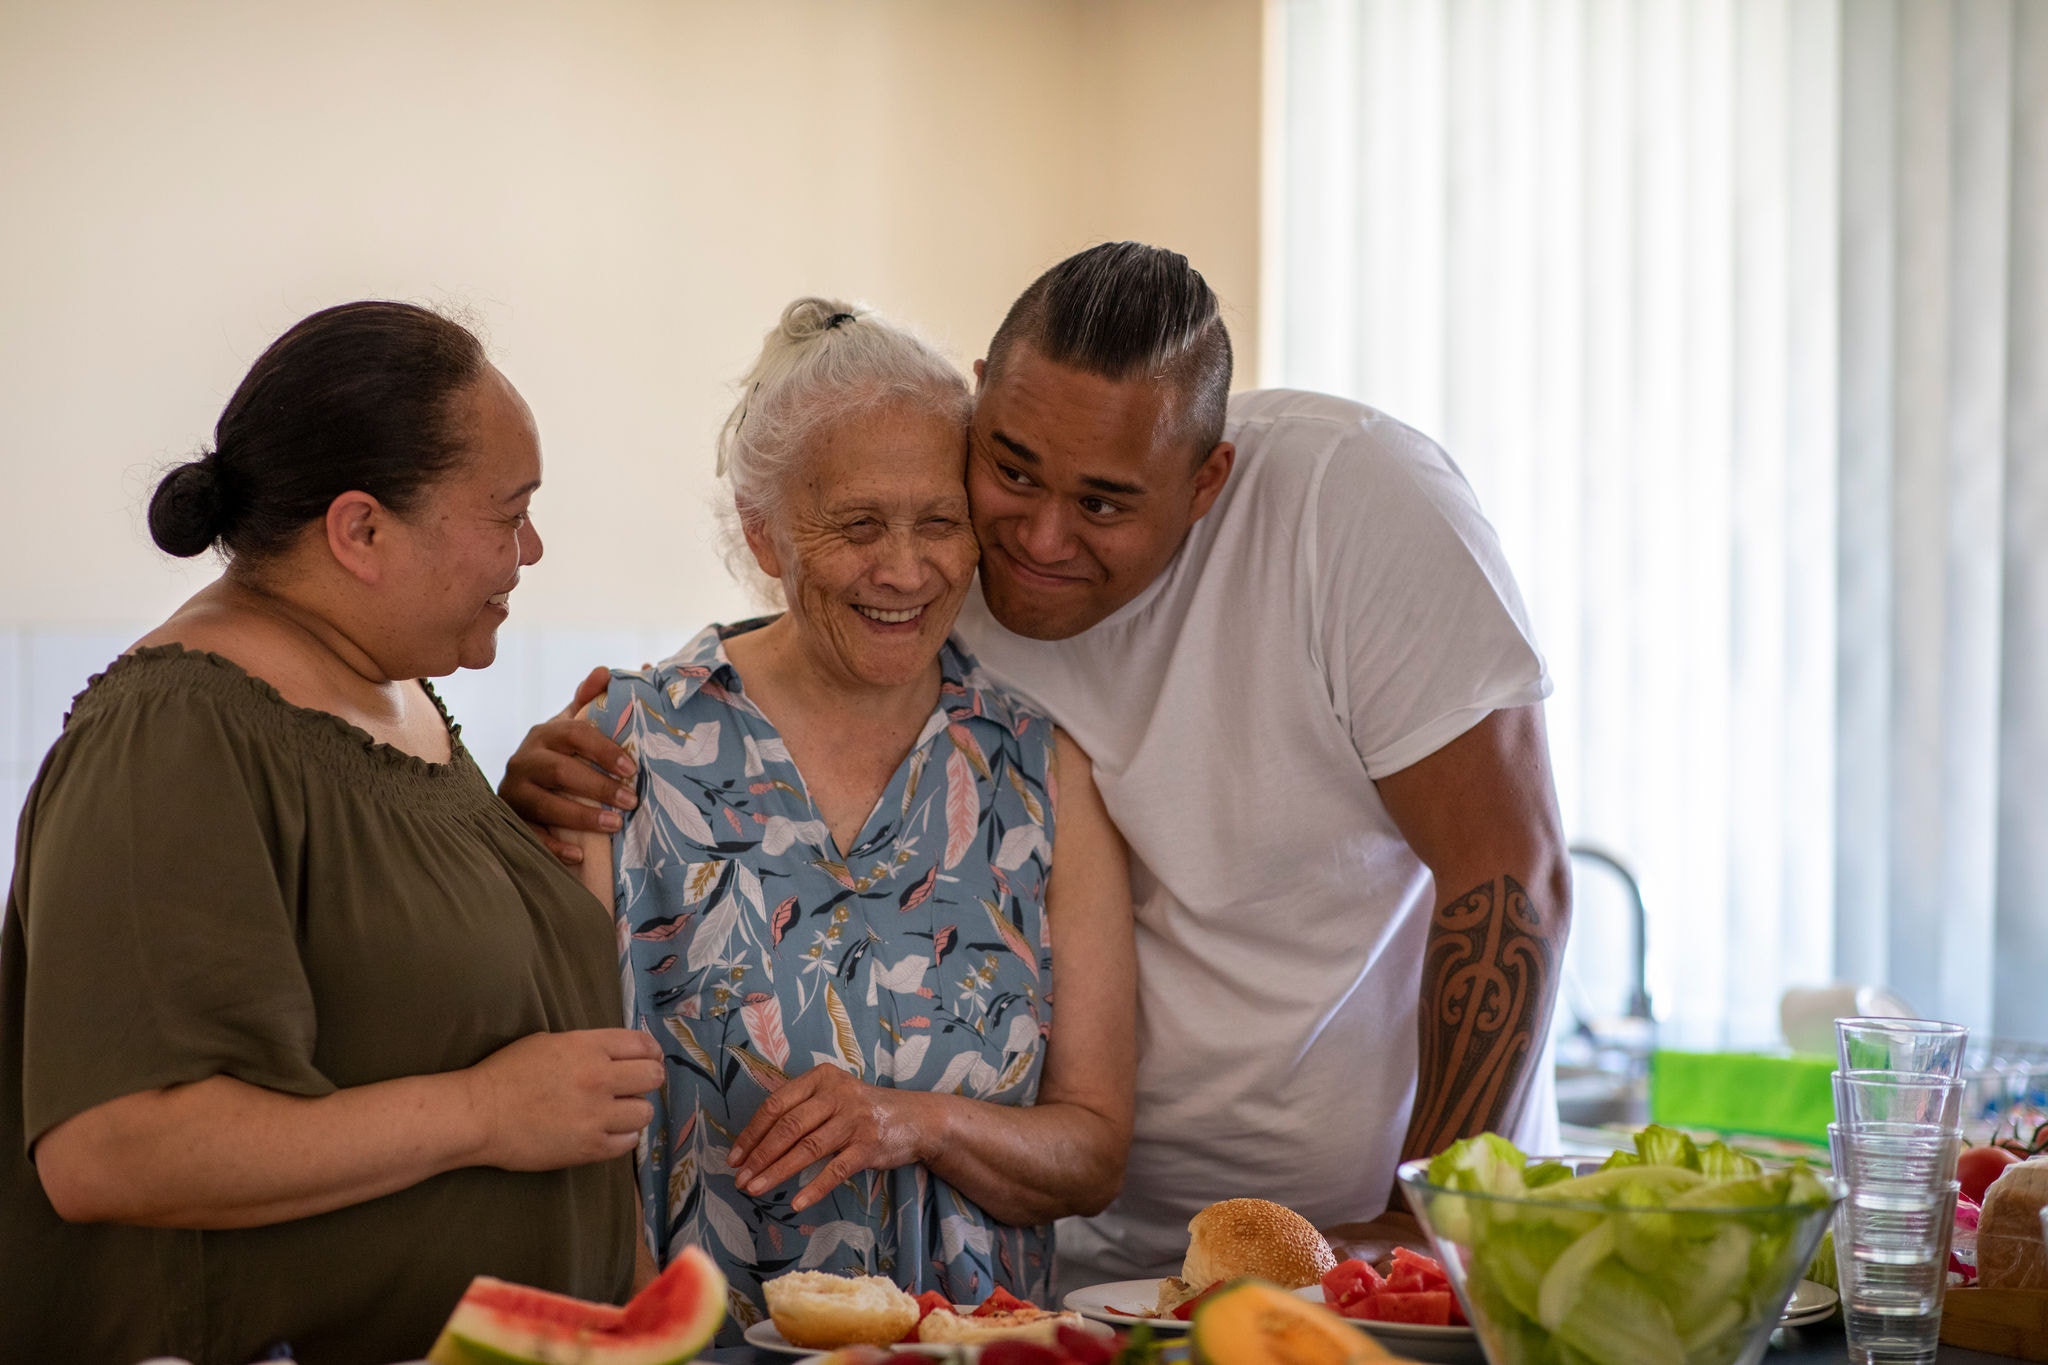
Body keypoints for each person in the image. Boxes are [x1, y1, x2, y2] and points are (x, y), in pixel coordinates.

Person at [504, 244, 1570, 1296]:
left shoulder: (1351, 510)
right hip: (1085, 1280)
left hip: (1341, 1238)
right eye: (1009, 475)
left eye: (1102, 505)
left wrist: (1428, 1213)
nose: (1040, 541)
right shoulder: (871, 602)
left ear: (1205, 484)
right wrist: (550, 777)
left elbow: (1507, 874)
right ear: (981, 402)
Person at [0, 302, 662, 1365]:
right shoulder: (175, 732)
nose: (531, 549)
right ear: (360, 531)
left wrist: (538, 837)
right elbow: (114, 1148)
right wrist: (482, 1113)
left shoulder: (399, 700)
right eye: (508, 512)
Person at [549, 298, 1134, 1339]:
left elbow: (1089, 1153)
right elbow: (566, 1131)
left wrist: (916, 1123)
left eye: (938, 523)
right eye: (857, 525)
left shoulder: (1039, 772)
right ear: (763, 530)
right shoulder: (624, 747)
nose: (904, 570)